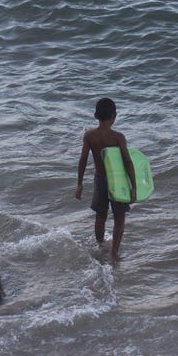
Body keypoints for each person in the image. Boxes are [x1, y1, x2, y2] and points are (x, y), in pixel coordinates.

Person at [74, 97, 135, 261]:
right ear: (114, 117)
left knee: (100, 215)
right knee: (119, 217)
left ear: (95, 115)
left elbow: (83, 159)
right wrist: (134, 187)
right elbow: (128, 162)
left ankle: (100, 245)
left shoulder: (89, 136)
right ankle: (114, 251)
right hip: (118, 181)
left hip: (100, 179)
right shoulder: (118, 137)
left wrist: (79, 184)